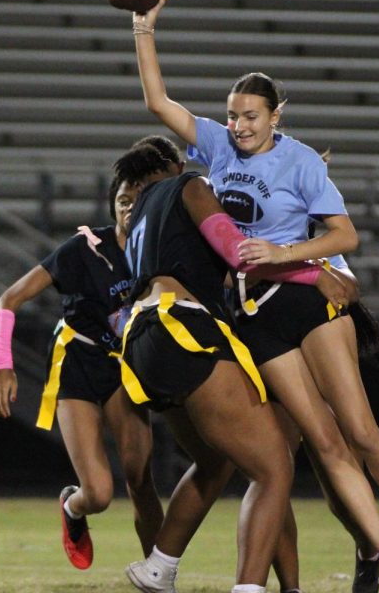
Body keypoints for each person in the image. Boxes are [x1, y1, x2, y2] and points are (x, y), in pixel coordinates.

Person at [131, 0, 379, 592]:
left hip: (304, 294)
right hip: (252, 316)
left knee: (355, 430)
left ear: (276, 115)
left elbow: (345, 235)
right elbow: (157, 101)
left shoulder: (300, 160)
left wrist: (283, 253)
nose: (239, 125)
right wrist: (143, 28)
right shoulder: (218, 148)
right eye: (232, 115)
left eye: (251, 115)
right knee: (313, 443)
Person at [112, 143, 347, 593]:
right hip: (181, 326)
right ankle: (249, 588)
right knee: (274, 466)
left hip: (142, 340)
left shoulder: (141, 214)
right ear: (175, 166)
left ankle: (159, 565)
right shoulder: (190, 185)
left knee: (215, 458)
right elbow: (241, 255)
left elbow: (220, 271)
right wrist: (313, 272)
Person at [0, 144, 165, 570]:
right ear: (113, 206)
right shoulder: (83, 249)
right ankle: (73, 507)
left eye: (140, 201)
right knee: (100, 494)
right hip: (79, 363)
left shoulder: (160, 252)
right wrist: (3, 364)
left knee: (141, 480)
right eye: (123, 200)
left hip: (126, 365)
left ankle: (160, 575)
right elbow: (8, 300)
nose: (130, 208)